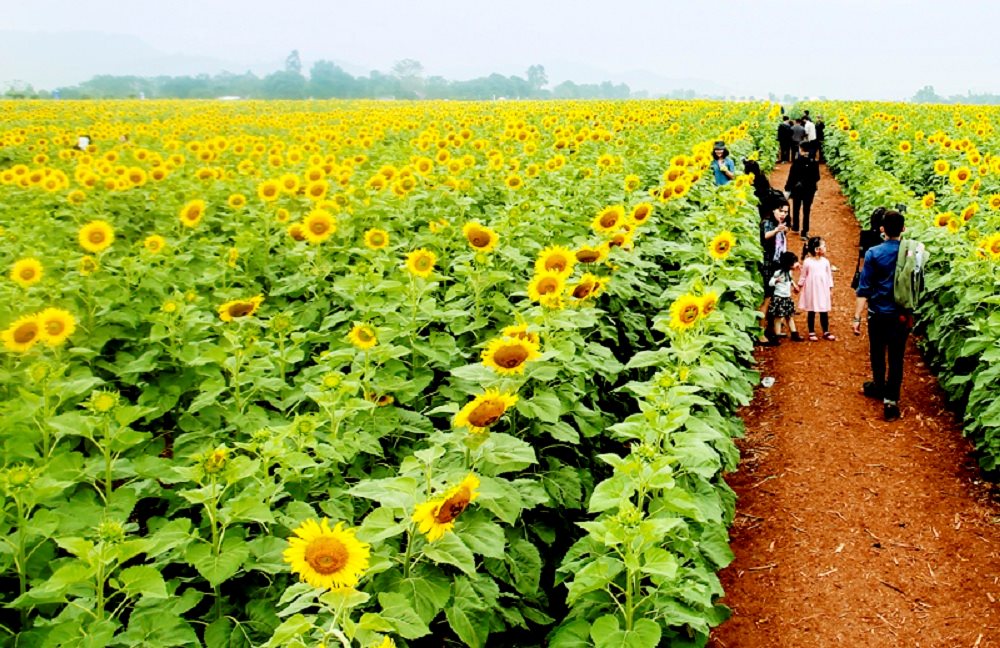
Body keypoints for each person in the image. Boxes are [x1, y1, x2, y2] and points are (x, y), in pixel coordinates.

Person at [851, 210, 908, 421]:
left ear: (882, 229)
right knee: (896, 356)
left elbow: (863, 288)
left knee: (877, 352)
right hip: (901, 315)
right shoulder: (909, 253)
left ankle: (878, 386)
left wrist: (856, 317)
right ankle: (891, 401)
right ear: (903, 229)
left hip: (877, 313)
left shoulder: (873, 253)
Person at [757, 199, 791, 345]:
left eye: (786, 212)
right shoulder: (767, 223)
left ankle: (771, 329)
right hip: (767, 266)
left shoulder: (779, 224)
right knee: (767, 298)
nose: (783, 214)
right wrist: (777, 230)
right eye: (781, 211)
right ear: (773, 210)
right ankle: (760, 333)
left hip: (776, 265)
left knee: (775, 297)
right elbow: (764, 236)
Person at [798, 236, 835, 341]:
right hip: (812, 290)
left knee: (824, 310)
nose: (825, 247)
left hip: (823, 289)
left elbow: (829, 276)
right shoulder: (807, 262)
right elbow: (803, 276)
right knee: (812, 310)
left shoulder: (825, 262)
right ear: (817, 249)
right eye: (824, 246)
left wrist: (830, 288)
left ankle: (826, 331)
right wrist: (799, 286)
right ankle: (811, 331)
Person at [784, 142, 820, 237]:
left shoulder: (797, 161)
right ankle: (805, 231)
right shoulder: (814, 162)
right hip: (809, 189)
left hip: (797, 189)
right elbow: (817, 177)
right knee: (806, 210)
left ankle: (796, 227)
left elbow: (791, 177)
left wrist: (787, 188)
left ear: (801, 149)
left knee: (796, 208)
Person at [767, 251, 803, 343]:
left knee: (789, 316)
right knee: (778, 317)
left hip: (787, 297)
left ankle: (794, 333)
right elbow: (770, 282)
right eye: (794, 262)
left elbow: (789, 280)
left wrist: (794, 285)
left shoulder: (789, 272)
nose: (796, 264)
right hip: (779, 298)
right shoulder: (778, 273)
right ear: (788, 264)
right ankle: (777, 335)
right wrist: (775, 281)